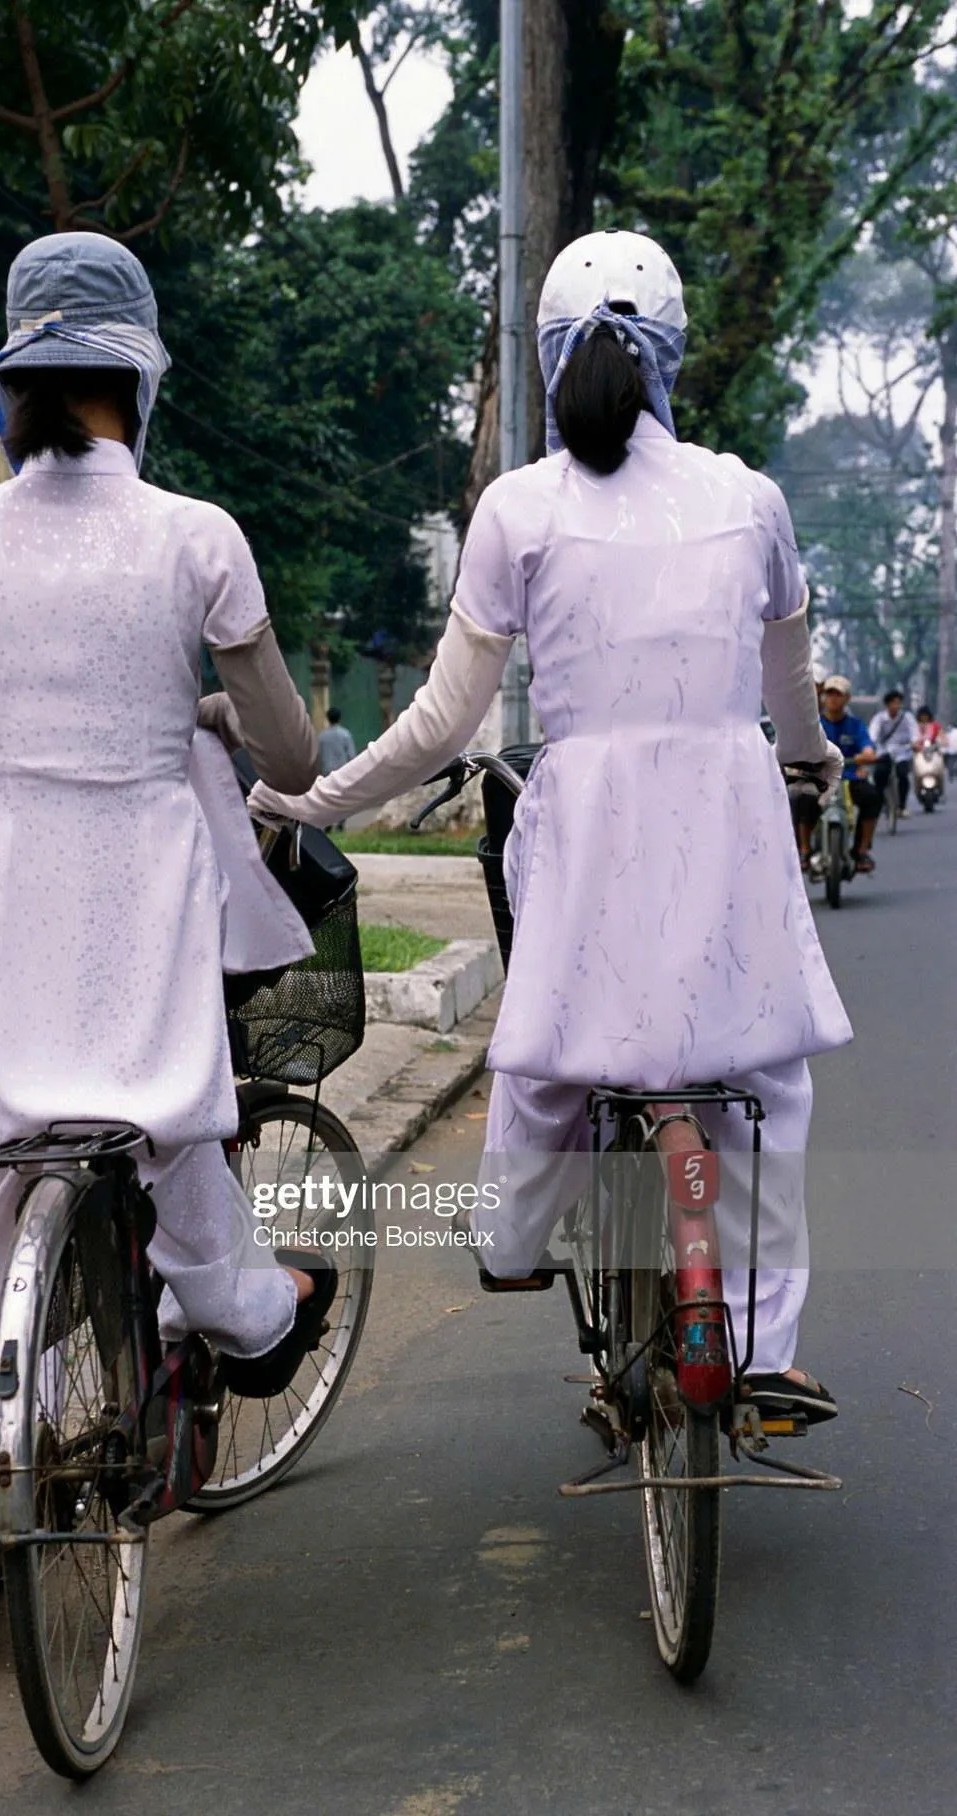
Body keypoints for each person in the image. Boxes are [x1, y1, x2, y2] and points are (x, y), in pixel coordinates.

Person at [249, 228, 851, 1425]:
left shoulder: (520, 509)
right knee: (769, 1084)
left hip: (588, 841)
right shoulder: (751, 499)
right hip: (729, 829)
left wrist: (318, 798)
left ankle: (516, 1237)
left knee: (549, 1055)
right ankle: (767, 1349)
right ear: (673, 354)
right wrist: (815, 761)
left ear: (547, 356)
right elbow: (792, 702)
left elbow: (437, 722)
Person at [0, 233, 335, 1613]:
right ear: (139, 374)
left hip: (6, 891)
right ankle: (243, 1315)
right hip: (146, 893)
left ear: (14, 382)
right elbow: (292, 761)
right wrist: (225, 711)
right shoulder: (196, 539)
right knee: (177, 1120)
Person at [801, 677, 880, 873]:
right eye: (829, 694)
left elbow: (867, 746)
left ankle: (861, 850)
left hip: (849, 777)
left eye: (838, 694)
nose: (833, 699)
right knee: (800, 799)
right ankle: (804, 850)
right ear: (823, 697)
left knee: (873, 798)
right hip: (819, 777)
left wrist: (867, 755)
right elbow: (800, 747)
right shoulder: (813, 725)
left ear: (847, 698)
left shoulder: (856, 725)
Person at [868, 688, 919, 818]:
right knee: (879, 775)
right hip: (884, 751)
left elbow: (914, 733)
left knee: (903, 775)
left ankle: (902, 806)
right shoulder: (879, 718)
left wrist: (915, 742)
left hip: (903, 751)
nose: (896, 706)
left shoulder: (907, 717)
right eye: (893, 703)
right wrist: (871, 747)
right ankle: (880, 803)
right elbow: (872, 735)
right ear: (887, 704)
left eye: (898, 703)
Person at [318, 706, 358, 830]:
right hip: (342, 771)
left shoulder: (322, 736)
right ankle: (341, 822)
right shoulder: (345, 734)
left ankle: (328, 822)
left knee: (327, 798)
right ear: (339, 718)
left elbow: (318, 755)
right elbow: (351, 755)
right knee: (342, 798)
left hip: (326, 772)